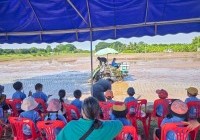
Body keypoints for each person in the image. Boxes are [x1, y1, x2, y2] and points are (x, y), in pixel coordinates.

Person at [57, 97, 123, 140]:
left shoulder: (71, 126)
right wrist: (100, 121)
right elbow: (120, 124)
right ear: (98, 112)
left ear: (82, 111)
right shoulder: (105, 127)